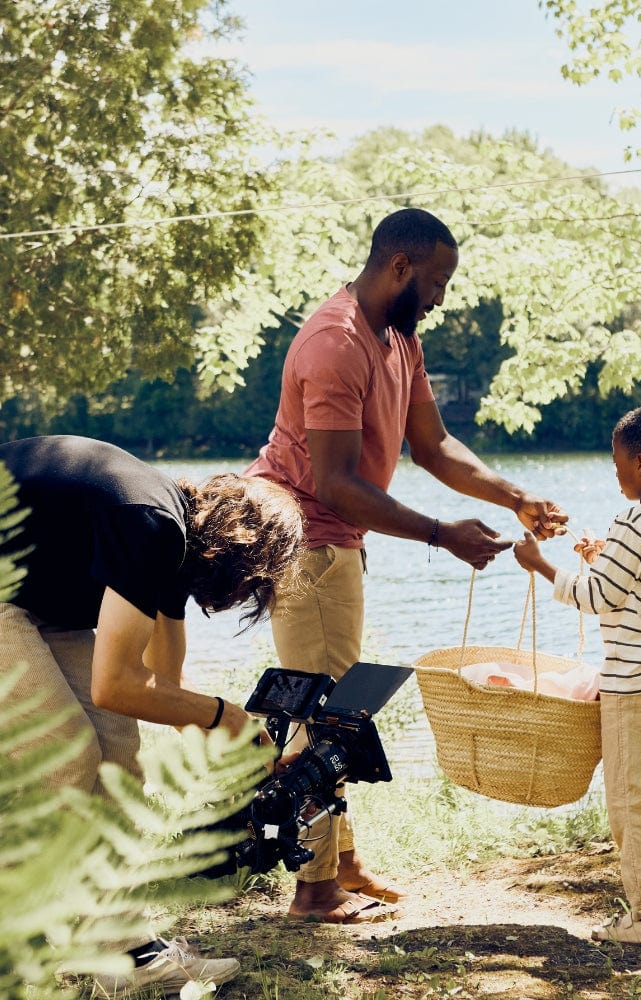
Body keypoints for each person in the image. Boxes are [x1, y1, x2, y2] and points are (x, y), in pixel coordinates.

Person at [243, 207, 569, 924]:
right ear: (399, 268)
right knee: (321, 719)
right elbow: (332, 482)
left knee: (336, 706)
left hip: (338, 544)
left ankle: (343, 859)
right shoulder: (335, 343)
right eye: (437, 281)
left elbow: (433, 444)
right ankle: (314, 889)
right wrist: (437, 532)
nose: (442, 297)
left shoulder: (398, 339)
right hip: (306, 542)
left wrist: (514, 497)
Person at [0, 434, 305, 995]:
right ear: (242, 551)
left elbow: (161, 684)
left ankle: (124, 955)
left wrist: (231, 744)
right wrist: (228, 719)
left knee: (117, 758)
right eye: (252, 584)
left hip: (36, 606)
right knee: (62, 754)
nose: (242, 597)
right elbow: (118, 683)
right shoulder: (151, 526)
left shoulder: (174, 547)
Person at [513, 405, 641, 950]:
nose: (616, 472)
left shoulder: (633, 519)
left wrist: (543, 565)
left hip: (637, 687)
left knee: (631, 800)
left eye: (619, 461)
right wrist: (603, 559)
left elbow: (599, 597)